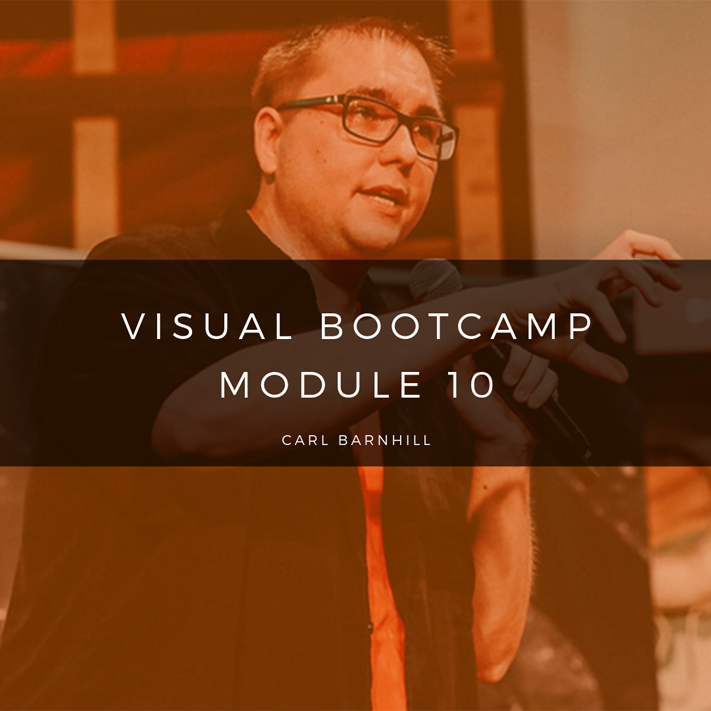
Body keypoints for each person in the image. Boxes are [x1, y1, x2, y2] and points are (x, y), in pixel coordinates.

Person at [0, 17, 680, 711]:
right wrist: (493, 307)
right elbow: (198, 422)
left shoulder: (416, 356)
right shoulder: (149, 276)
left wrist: (505, 448)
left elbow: (487, 646)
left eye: (425, 129)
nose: (405, 152)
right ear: (271, 138)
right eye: (366, 113)